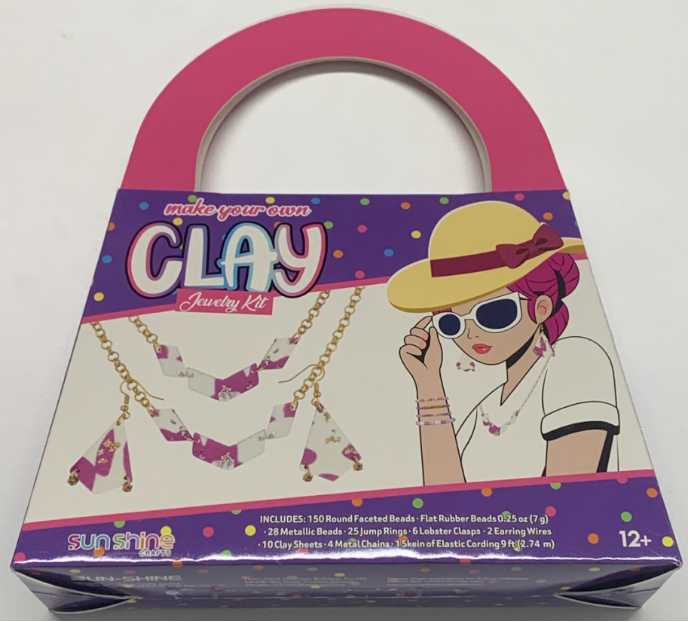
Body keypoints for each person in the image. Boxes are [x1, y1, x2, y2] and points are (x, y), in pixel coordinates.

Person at [387, 201, 620, 485]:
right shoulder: (481, 415)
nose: (470, 334)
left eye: (493, 313)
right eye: (452, 323)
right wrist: (428, 383)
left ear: (541, 308)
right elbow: (445, 503)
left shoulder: (576, 359)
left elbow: (570, 498)